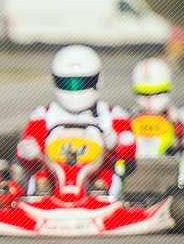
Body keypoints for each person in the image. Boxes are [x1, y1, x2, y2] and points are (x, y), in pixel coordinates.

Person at [11, 45, 136, 200]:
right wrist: (26, 151)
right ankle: (41, 198)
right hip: (53, 187)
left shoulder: (112, 114)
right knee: (40, 175)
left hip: (98, 183)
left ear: (97, 79)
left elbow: (130, 149)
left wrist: (116, 143)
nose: (75, 89)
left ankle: (99, 196)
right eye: (68, 83)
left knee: (105, 175)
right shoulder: (43, 114)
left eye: (82, 83)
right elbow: (26, 148)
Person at [129, 56, 184, 156]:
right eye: (143, 93)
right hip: (138, 161)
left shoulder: (178, 114)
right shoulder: (131, 115)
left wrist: (180, 131)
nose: (150, 98)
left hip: (171, 160)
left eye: (158, 92)